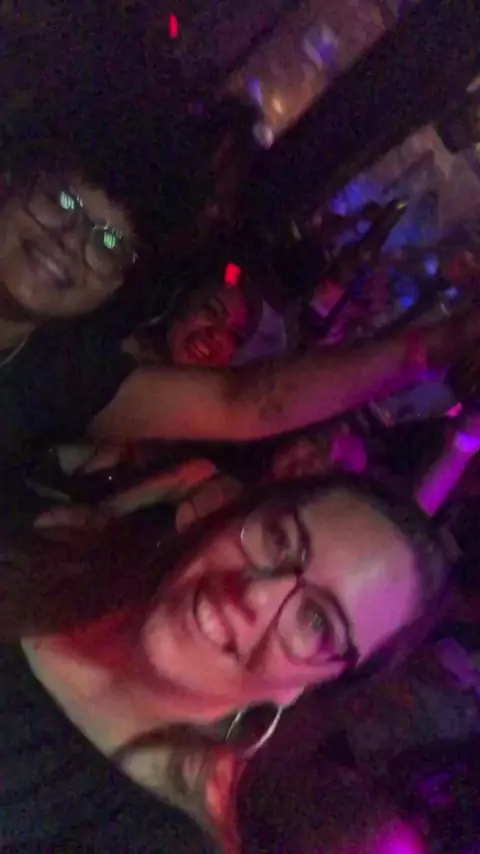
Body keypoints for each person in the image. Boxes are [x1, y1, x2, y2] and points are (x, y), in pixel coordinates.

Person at [0, 473, 447, 851]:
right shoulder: (55, 545)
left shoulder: (154, 839)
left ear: (304, 689)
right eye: (279, 539)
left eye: (316, 622)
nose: (256, 594)